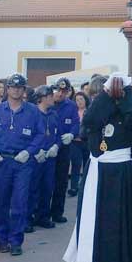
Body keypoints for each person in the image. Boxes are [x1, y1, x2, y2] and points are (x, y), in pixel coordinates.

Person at [64, 74, 132, 262]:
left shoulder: (131, 111)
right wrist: (106, 96)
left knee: (112, 232)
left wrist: (128, 92)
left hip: (119, 175)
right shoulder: (98, 111)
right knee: (88, 230)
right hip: (96, 172)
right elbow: (89, 122)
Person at [0, 74, 44, 255]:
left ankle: (16, 240)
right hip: (1, 161)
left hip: (22, 162)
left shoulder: (33, 111)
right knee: (2, 202)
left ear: (24, 90)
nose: (16, 90)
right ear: (7, 89)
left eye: (19, 87)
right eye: (12, 87)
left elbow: (40, 134)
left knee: (20, 202)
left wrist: (29, 151)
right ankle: (3, 240)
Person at [28, 85, 59, 230]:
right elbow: (28, 135)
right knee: (32, 188)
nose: (53, 98)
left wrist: (56, 146)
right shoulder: (32, 114)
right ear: (43, 98)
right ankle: (28, 218)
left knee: (48, 187)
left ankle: (43, 216)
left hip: (50, 157)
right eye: (51, 96)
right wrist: (35, 150)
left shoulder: (53, 114)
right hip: (35, 157)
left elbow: (58, 134)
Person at [51, 79, 78, 223]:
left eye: (64, 91)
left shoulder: (71, 106)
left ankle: (57, 213)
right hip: (47, 148)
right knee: (44, 182)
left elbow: (76, 124)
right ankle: (40, 213)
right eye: (58, 90)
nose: (60, 94)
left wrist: (72, 134)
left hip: (63, 149)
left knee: (61, 182)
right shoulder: (47, 103)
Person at [69, 91, 90, 196]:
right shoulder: (73, 112)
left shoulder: (90, 111)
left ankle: (85, 186)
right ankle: (73, 187)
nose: (79, 102)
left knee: (87, 164)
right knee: (76, 165)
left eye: (81, 99)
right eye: (77, 100)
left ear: (85, 99)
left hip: (86, 141)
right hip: (75, 142)